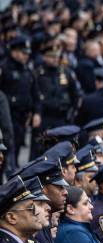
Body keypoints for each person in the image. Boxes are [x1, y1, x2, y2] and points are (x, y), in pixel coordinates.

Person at [0, 36, 41, 171]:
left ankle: (13, 171)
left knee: (16, 147)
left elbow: (35, 94)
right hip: (7, 116)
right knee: (6, 147)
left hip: (22, 117)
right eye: (23, 53)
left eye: (27, 54)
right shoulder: (4, 68)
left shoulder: (27, 70)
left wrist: (36, 112)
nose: (26, 56)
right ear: (14, 51)